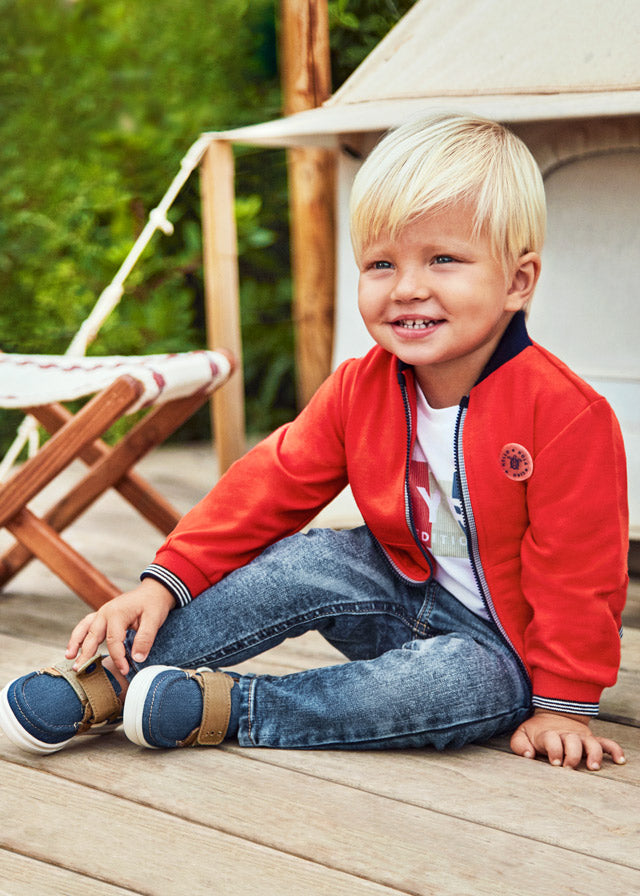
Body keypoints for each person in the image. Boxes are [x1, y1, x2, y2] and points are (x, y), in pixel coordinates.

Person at [0, 113, 629, 770]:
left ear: (518, 282)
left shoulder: (564, 415)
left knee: (447, 687)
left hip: (500, 652)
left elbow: (580, 572)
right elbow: (268, 485)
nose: (408, 286)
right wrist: (163, 583)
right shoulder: (363, 387)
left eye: (444, 259)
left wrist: (563, 705)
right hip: (400, 591)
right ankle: (109, 678)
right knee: (312, 558)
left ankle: (222, 706)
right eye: (382, 263)